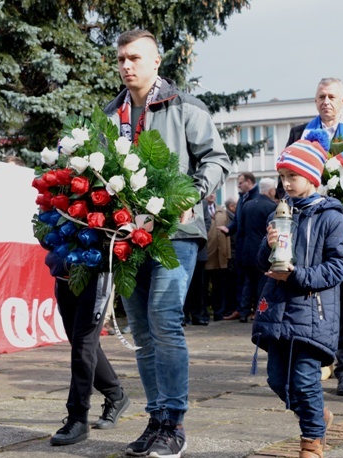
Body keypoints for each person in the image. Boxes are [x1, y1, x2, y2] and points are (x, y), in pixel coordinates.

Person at [103, 29, 230, 457]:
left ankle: (174, 422)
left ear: (157, 61)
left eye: (135, 58)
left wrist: (189, 196)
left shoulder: (184, 107)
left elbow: (216, 159)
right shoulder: (111, 113)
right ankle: (156, 420)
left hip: (175, 233)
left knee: (163, 315)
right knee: (140, 327)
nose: (126, 65)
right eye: (121, 58)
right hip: (127, 235)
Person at [251, 130, 343, 458]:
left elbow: (340, 266)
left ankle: (312, 441)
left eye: (293, 176)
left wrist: (299, 276)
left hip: (311, 312)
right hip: (278, 311)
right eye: (282, 177)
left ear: (311, 176)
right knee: (277, 380)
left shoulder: (331, 217)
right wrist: (266, 248)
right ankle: (317, 417)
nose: (286, 183)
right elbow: (257, 261)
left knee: (305, 381)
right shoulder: (278, 214)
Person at [286, 77, 343, 397]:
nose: (326, 102)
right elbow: (290, 175)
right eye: (321, 96)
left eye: (332, 96)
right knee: (314, 295)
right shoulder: (299, 133)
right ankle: (319, 358)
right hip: (310, 224)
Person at [41, 248, 129, 445]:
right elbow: (44, 233)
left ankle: (78, 417)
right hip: (64, 275)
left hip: (96, 275)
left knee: (83, 345)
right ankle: (116, 395)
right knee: (82, 344)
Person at [235, 177, 278, 321]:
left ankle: (243, 312)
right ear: (271, 190)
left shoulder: (247, 205)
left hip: (247, 250)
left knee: (248, 282)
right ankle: (259, 311)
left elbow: (240, 228)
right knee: (261, 283)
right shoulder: (272, 207)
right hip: (262, 249)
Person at [220, 172, 259, 321]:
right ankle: (241, 310)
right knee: (242, 280)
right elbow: (238, 221)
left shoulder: (257, 198)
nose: (238, 185)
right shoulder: (242, 199)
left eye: (241, 182)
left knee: (253, 281)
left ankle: (253, 310)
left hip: (254, 247)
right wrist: (228, 229)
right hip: (243, 248)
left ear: (249, 182)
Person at [204, 194, 233, 321]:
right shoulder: (201, 209)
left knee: (219, 287)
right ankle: (203, 313)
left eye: (214, 192)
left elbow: (227, 234)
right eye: (209, 192)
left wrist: (228, 254)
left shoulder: (221, 211)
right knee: (203, 286)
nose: (212, 195)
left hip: (220, 255)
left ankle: (219, 312)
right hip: (206, 253)